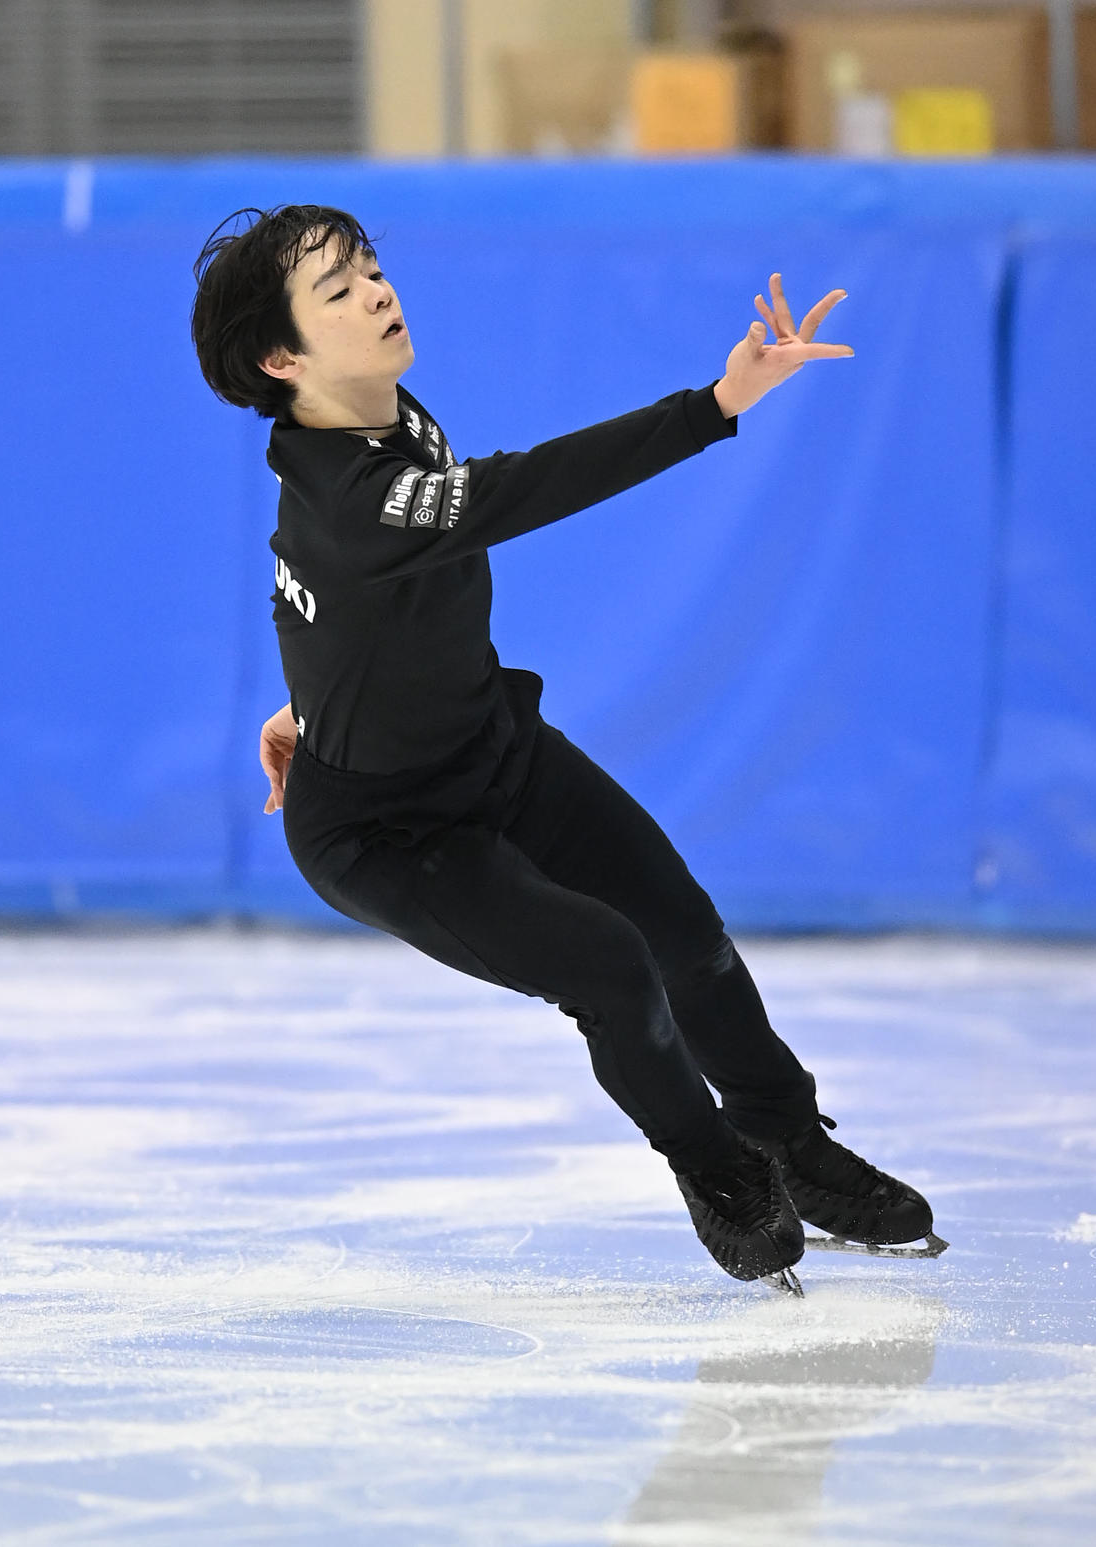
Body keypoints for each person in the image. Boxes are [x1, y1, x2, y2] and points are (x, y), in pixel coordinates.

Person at [190, 203, 943, 1295]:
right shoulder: (358, 498)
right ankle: (716, 1165)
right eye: (339, 290)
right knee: (610, 965)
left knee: (686, 931)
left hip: (491, 746)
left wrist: (308, 704)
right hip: (388, 832)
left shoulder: (375, 416)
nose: (378, 293)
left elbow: (317, 593)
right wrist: (717, 403)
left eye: (372, 268)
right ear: (281, 355)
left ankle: (787, 1137)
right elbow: (508, 494)